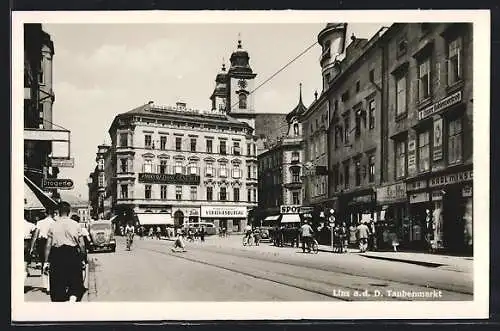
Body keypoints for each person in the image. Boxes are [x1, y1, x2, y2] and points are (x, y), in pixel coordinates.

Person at [43, 201, 87, 302]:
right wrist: (83, 259)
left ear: (58, 212)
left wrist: (46, 262)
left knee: (57, 285)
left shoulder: (53, 226)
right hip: (72, 255)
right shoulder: (76, 225)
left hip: (57, 256)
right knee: (75, 283)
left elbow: (48, 245)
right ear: (69, 211)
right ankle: (72, 300)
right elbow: (82, 245)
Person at [34, 209, 56, 292]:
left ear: (45, 214)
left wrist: (32, 247)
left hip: (42, 243)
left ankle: (46, 286)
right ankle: (51, 285)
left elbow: (36, 235)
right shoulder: (54, 222)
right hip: (52, 243)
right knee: (52, 264)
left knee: (44, 263)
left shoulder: (40, 222)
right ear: (53, 214)